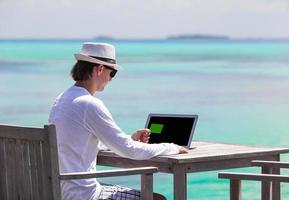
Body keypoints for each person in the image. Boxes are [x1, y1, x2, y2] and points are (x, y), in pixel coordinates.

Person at [49, 42, 188, 200]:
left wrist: (129, 139)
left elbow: (80, 142)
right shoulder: (89, 104)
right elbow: (130, 151)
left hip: (61, 192)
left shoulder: (62, 99)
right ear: (100, 69)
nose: (110, 79)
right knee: (157, 199)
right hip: (85, 195)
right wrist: (171, 147)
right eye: (112, 73)